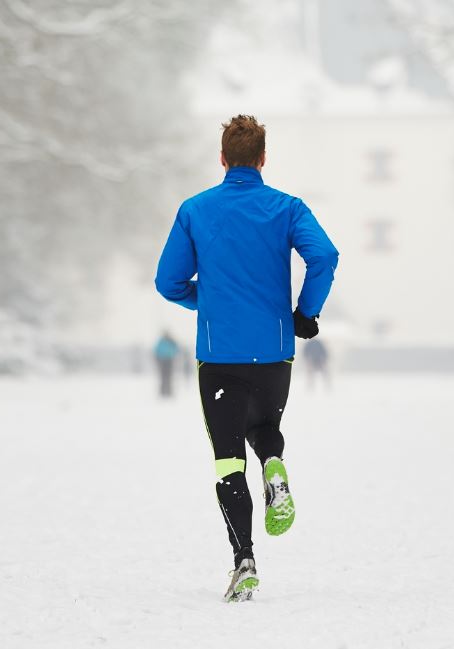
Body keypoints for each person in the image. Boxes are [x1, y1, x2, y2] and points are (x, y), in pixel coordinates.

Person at [154, 115, 339, 602]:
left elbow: (167, 282)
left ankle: (244, 562)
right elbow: (324, 256)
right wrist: (306, 313)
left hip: (219, 355)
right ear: (262, 159)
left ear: (222, 159)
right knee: (264, 427)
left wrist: (209, 300)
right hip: (274, 350)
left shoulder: (195, 210)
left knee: (227, 461)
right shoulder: (287, 208)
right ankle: (274, 464)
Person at [153, 331, 180, 398]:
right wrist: (157, 359)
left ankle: (168, 392)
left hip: (169, 360)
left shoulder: (171, 341)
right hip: (163, 361)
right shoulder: (161, 341)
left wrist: (174, 356)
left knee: (168, 376)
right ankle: (163, 392)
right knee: (164, 376)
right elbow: (156, 351)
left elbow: (176, 349)